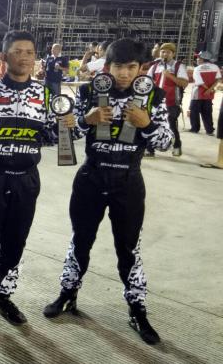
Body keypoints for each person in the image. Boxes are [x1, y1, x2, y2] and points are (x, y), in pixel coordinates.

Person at [43, 38, 173, 346]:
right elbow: (63, 137)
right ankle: (68, 293)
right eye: (117, 66)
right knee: (80, 240)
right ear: (107, 66)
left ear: (141, 68)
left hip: (128, 181)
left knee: (128, 248)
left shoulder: (154, 96)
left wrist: (147, 124)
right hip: (91, 177)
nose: (124, 73)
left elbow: (166, 142)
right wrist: (85, 121)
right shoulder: (89, 92)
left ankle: (137, 309)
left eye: (131, 67)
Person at [0, 30, 74, 327]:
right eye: (17, 52)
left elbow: (51, 138)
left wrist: (68, 125)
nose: (24, 57)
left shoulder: (45, 96)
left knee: (16, 241)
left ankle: (4, 295)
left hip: (25, 179)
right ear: (4, 56)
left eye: (29, 53)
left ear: (36, 58)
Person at [147, 42, 187, 156]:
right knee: (151, 124)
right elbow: (148, 81)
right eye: (163, 51)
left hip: (171, 101)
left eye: (168, 52)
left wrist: (170, 76)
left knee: (170, 124)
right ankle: (150, 149)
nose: (165, 54)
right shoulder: (155, 66)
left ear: (173, 54)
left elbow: (184, 83)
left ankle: (177, 146)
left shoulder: (178, 66)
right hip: (155, 102)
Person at [189, 51, 220, 135]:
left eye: (198, 58)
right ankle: (209, 130)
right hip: (209, 95)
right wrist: (210, 89)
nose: (197, 59)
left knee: (194, 111)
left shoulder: (197, 68)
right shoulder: (215, 67)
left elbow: (200, 82)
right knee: (207, 112)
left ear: (202, 59)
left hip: (197, 94)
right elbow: (218, 79)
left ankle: (195, 129)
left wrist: (207, 89)